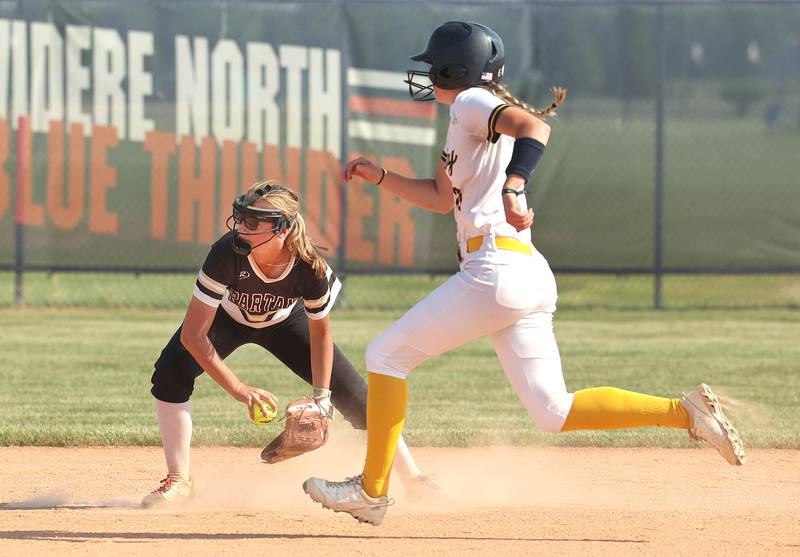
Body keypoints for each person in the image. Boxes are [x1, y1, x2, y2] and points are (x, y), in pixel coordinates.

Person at [302, 21, 745, 526]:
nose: (426, 74)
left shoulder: (470, 100)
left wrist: (514, 187)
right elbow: (440, 197)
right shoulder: (464, 117)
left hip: (495, 268)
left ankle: (372, 490)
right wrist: (379, 176)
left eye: (433, 64)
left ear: (457, 69)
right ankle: (685, 412)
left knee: (385, 355)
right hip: (523, 271)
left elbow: (536, 128)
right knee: (552, 412)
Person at [142, 181, 442, 508]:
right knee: (170, 373)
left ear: (282, 228)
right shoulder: (226, 252)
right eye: (240, 218)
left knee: (359, 399)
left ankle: (413, 479)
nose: (241, 228)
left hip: (285, 322)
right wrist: (240, 389)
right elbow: (193, 335)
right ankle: (179, 480)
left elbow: (322, 334)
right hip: (226, 319)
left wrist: (322, 399)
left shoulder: (310, 266)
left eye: (252, 222)